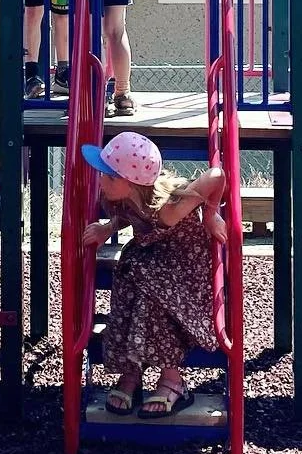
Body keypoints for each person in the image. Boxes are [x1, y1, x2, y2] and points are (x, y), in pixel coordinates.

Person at [79, 132, 226, 416]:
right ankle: (131, 374)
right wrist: (107, 229)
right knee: (128, 281)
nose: (100, 180)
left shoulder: (169, 210)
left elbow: (217, 174)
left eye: (108, 176)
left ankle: (173, 381)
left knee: (152, 297)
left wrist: (210, 214)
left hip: (183, 264)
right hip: (150, 256)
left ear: (131, 182)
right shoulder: (117, 198)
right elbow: (127, 215)